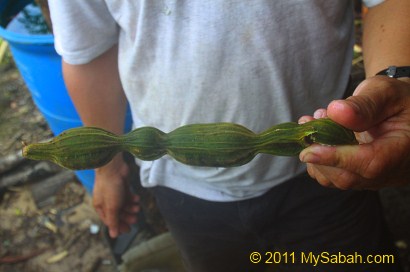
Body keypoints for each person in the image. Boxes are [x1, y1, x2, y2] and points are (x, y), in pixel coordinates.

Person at [48, 1, 409, 271]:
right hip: (183, 191)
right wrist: (109, 169)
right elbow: (88, 50)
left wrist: (396, 79)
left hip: (328, 171)